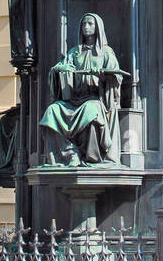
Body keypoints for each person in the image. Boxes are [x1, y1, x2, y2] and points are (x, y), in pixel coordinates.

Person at [40, 13, 124, 167]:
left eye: (90, 24)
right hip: (74, 99)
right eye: (84, 24)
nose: (86, 27)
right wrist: (60, 69)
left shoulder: (106, 52)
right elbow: (57, 69)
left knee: (91, 110)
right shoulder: (75, 52)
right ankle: (71, 153)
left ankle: (92, 157)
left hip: (94, 98)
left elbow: (116, 77)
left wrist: (103, 76)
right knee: (52, 111)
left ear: (97, 27)